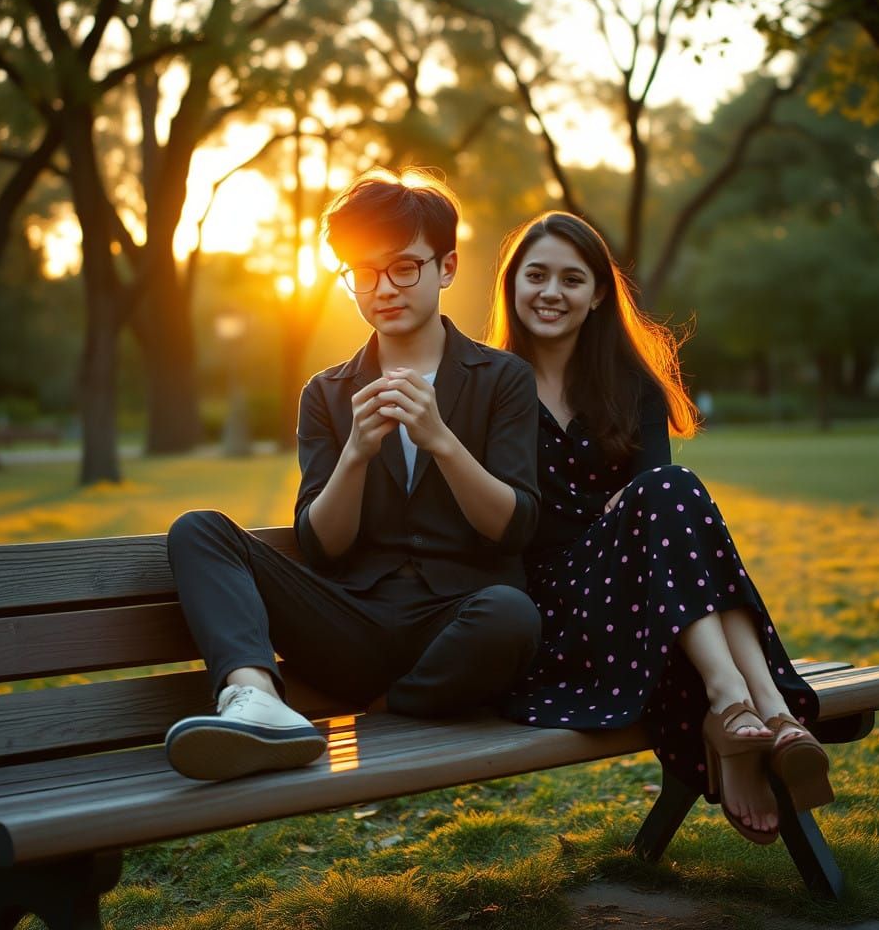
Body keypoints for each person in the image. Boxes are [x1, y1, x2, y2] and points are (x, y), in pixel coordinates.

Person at [164, 170, 542, 781]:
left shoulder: (502, 380)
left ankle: (390, 709)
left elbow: (513, 528)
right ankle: (255, 698)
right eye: (361, 273)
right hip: (352, 624)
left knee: (513, 614)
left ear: (446, 267)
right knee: (198, 529)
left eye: (402, 268)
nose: (382, 289)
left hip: (459, 624)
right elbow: (322, 545)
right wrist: (356, 455)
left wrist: (441, 440)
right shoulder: (327, 392)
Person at [487, 211, 831, 844]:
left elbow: (654, 506)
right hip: (559, 610)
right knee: (669, 496)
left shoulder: (631, 386)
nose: (551, 293)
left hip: (646, 596)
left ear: (596, 297)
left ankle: (740, 710)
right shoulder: (488, 385)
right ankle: (765, 710)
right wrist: (622, 512)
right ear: (512, 286)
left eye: (572, 279)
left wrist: (628, 511)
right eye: (536, 275)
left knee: (671, 492)